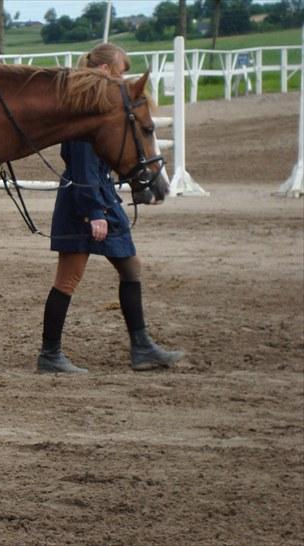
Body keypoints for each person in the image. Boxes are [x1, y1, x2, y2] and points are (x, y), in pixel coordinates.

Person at [37, 43, 184, 374]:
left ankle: (142, 346)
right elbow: (82, 165)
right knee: (68, 278)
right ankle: (49, 354)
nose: (124, 78)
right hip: (85, 201)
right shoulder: (85, 107)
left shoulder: (101, 105)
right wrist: (94, 212)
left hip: (100, 197)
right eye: (121, 71)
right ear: (104, 71)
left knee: (131, 267)